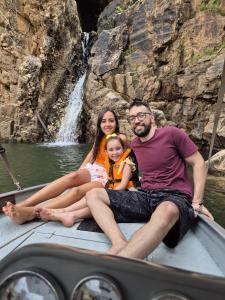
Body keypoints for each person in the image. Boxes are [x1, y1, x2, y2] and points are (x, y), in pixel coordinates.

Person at [85, 99, 214, 259]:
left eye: (141, 115)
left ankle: (120, 266)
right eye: (132, 118)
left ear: (152, 117)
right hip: (146, 196)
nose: (137, 120)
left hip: (174, 197)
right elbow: (118, 163)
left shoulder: (172, 133)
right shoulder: (135, 145)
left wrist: (197, 202)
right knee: (94, 194)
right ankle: (118, 242)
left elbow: (199, 163)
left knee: (166, 210)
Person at [3, 108, 125, 224]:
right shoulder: (101, 137)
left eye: (111, 120)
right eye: (103, 121)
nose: (107, 124)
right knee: (72, 176)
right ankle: (23, 204)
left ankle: (33, 212)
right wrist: (79, 172)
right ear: (99, 124)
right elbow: (91, 154)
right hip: (94, 168)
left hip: (108, 176)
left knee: (76, 191)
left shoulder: (120, 137)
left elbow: (127, 155)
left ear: (116, 123)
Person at [39, 134, 139, 226]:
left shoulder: (127, 164)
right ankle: (65, 212)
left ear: (123, 149)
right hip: (115, 194)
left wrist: (106, 193)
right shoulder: (112, 164)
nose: (115, 152)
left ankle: (65, 212)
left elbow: (123, 186)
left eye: (118, 149)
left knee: (95, 199)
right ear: (106, 152)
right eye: (111, 150)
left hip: (125, 194)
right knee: (89, 197)